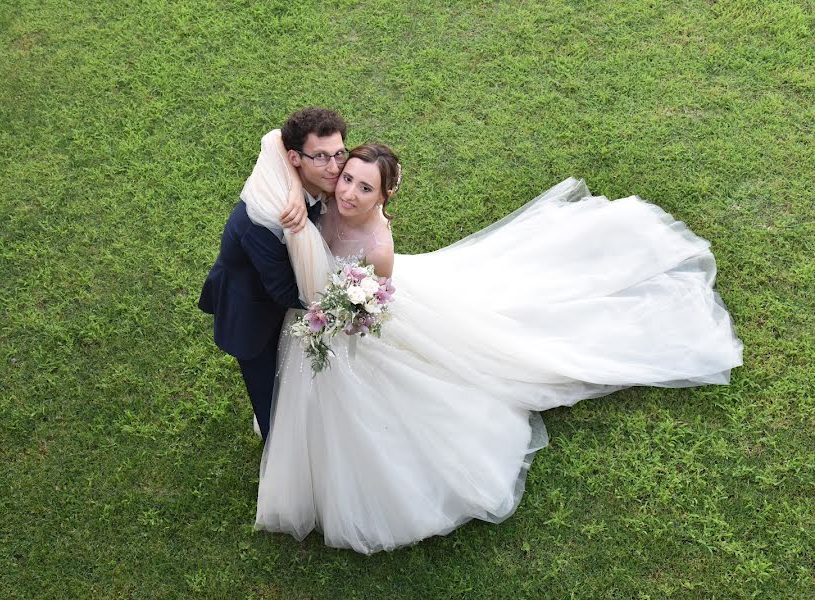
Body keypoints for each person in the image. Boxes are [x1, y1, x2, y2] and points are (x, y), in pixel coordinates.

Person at [240, 131, 743, 554]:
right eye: (347, 177)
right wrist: (290, 198)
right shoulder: (324, 196)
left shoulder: (379, 249)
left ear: (383, 198)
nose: (347, 192)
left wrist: (339, 317)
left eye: (364, 188)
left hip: (353, 323)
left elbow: (375, 312)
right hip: (318, 313)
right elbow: (274, 144)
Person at [197, 107, 348, 440]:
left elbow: (273, 138)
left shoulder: (305, 177)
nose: (335, 167)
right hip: (249, 311)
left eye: (339, 153)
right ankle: (279, 458)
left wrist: (296, 186)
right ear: (294, 158)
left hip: (285, 295)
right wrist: (343, 298)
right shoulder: (262, 222)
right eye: (321, 157)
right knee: (271, 399)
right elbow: (283, 291)